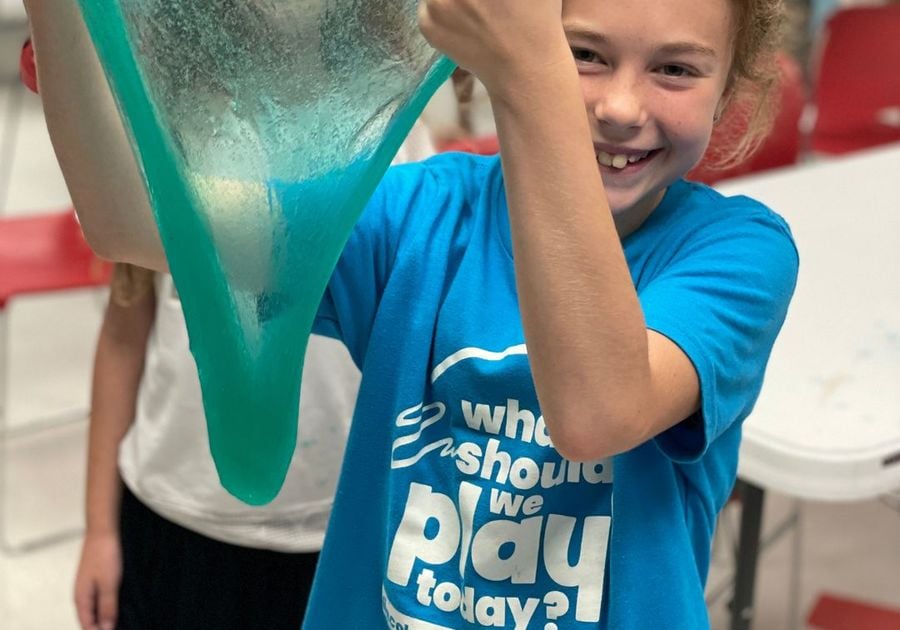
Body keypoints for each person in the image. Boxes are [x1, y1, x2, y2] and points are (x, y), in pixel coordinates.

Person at [28, 0, 799, 627]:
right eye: (584, 54)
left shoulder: (736, 254)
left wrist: (535, 75)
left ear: (731, 88)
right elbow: (134, 223)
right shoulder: (424, 215)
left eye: (675, 70)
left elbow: (598, 410)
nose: (622, 106)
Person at [18, 32, 433, 630]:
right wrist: (100, 528)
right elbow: (123, 332)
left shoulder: (397, 127)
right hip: (177, 515)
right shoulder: (168, 123)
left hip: (342, 529)